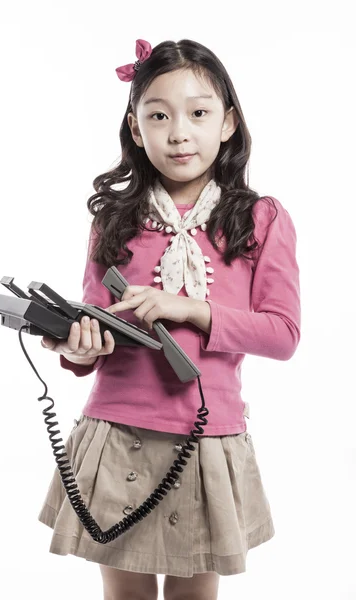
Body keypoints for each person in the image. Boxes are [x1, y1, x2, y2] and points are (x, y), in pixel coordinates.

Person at [37, 38, 301, 600]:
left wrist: (192, 309)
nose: (179, 132)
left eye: (199, 114)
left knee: (192, 596)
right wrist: (78, 347)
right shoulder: (113, 219)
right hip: (116, 431)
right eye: (158, 116)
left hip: (204, 439)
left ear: (228, 122)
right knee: (125, 595)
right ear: (136, 130)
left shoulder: (260, 218)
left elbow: (283, 334)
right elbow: (97, 324)